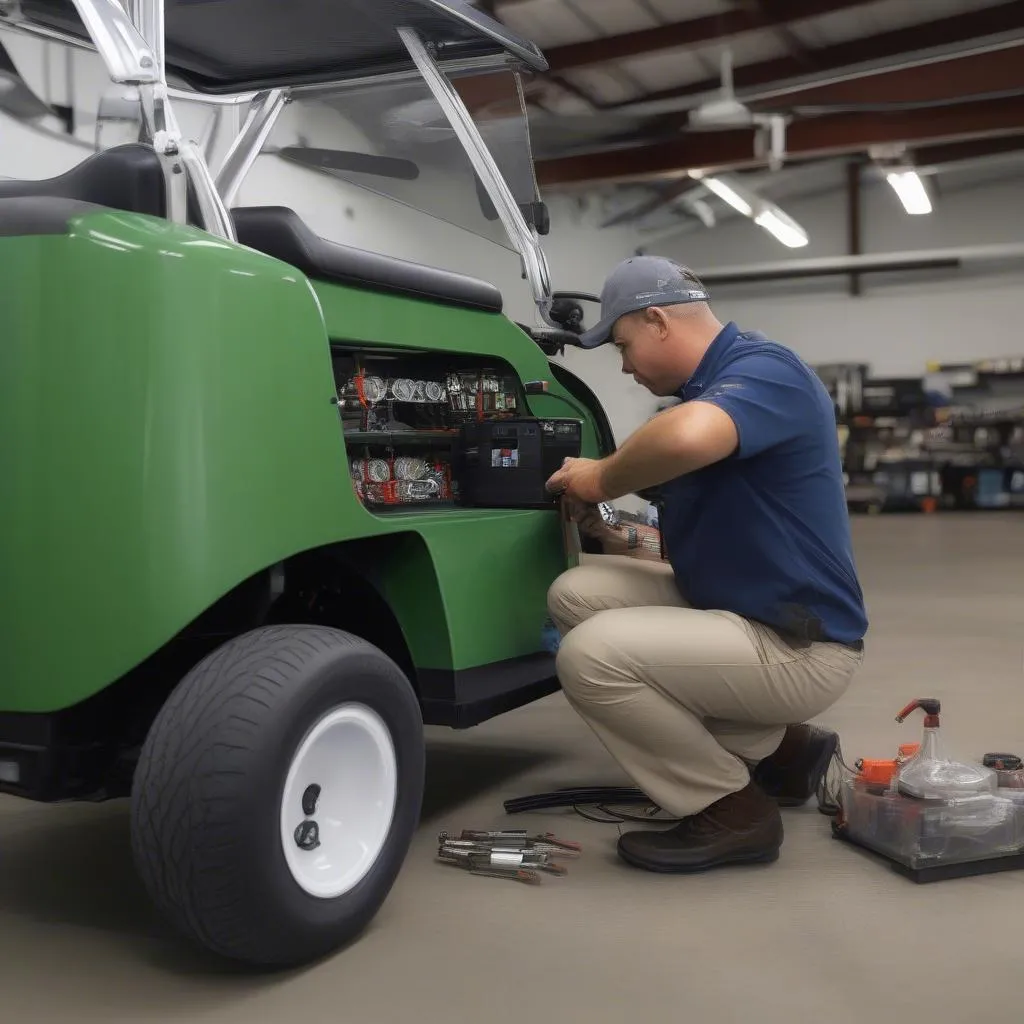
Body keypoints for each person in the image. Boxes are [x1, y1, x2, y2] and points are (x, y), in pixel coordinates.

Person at [545, 255, 868, 874]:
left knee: (589, 656)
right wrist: (606, 526)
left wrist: (600, 477)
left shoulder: (765, 372)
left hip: (801, 647)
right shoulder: (703, 399)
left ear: (659, 320)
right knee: (577, 595)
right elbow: (671, 536)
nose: (625, 366)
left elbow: (689, 440)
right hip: (739, 608)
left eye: (623, 344)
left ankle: (729, 809)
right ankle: (785, 753)